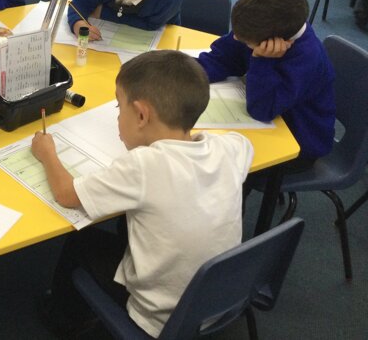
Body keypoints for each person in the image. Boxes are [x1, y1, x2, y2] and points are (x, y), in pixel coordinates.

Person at [31, 50, 253, 337]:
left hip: (160, 318)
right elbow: (244, 145)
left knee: (80, 240)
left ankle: (63, 318)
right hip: (218, 302)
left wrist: (47, 154)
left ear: (141, 114)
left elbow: (67, 194)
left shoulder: (143, 166)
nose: (117, 116)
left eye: (118, 106)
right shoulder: (228, 149)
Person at [197, 0, 335, 171]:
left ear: (272, 43)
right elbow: (223, 58)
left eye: (246, 41)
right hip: (268, 124)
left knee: (218, 168)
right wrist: (188, 74)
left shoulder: (307, 58)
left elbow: (262, 109)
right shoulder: (261, 28)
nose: (236, 38)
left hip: (298, 144)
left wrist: (262, 60)